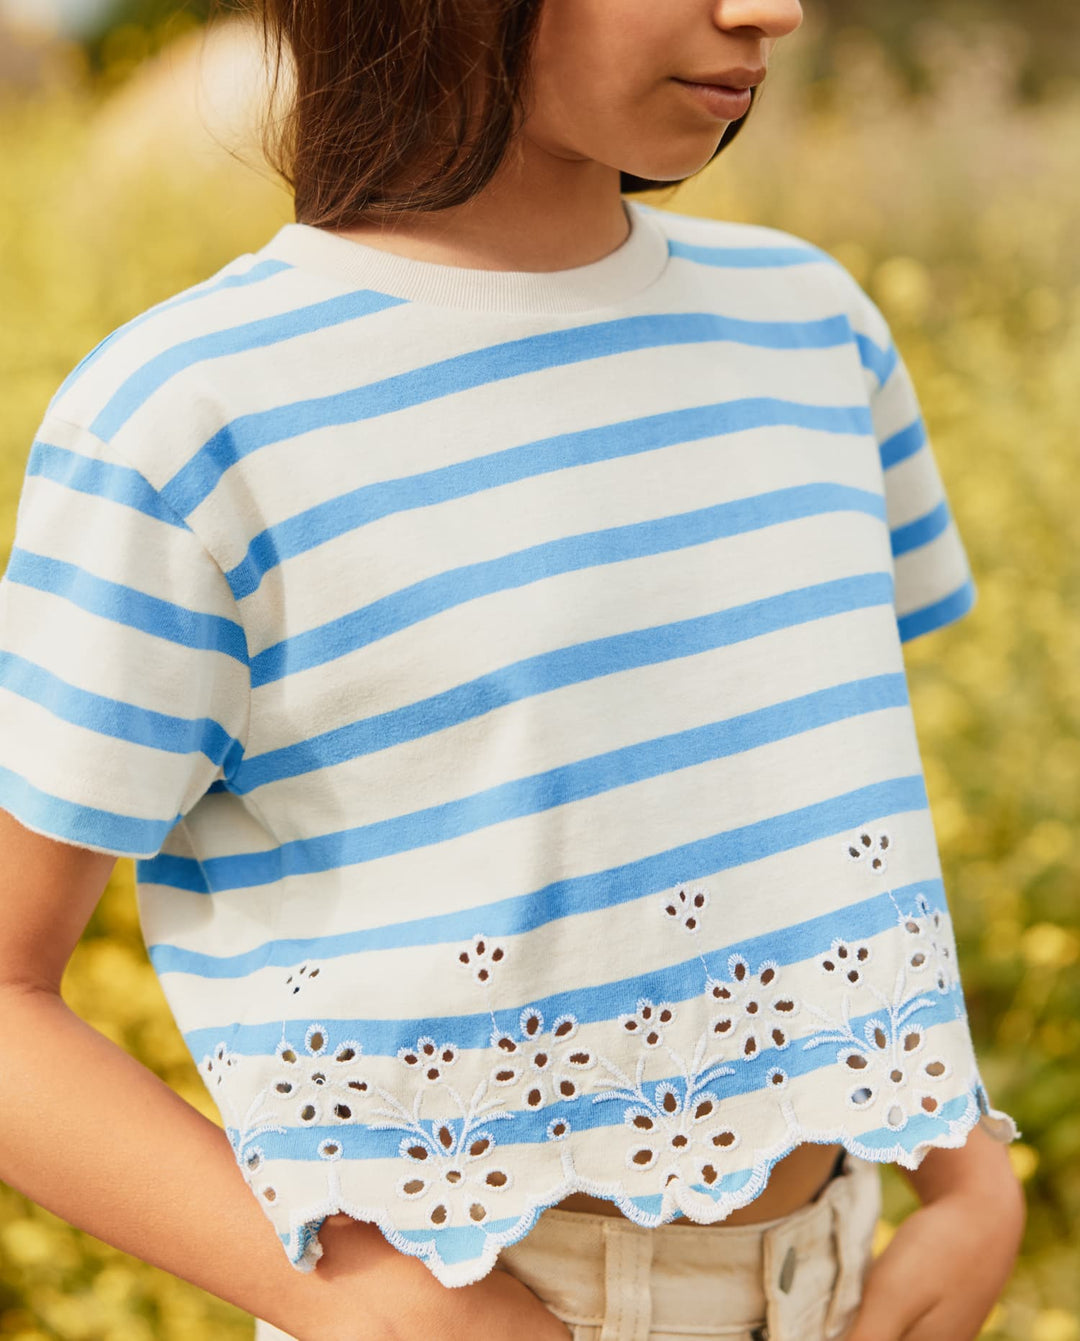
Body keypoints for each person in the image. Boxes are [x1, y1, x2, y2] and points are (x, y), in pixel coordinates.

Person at [0, 0, 1026, 1338]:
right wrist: (393, 1314)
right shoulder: (185, 420)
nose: (770, 8)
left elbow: (824, 801)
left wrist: (966, 1174)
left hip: (843, 1268)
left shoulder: (813, 327)